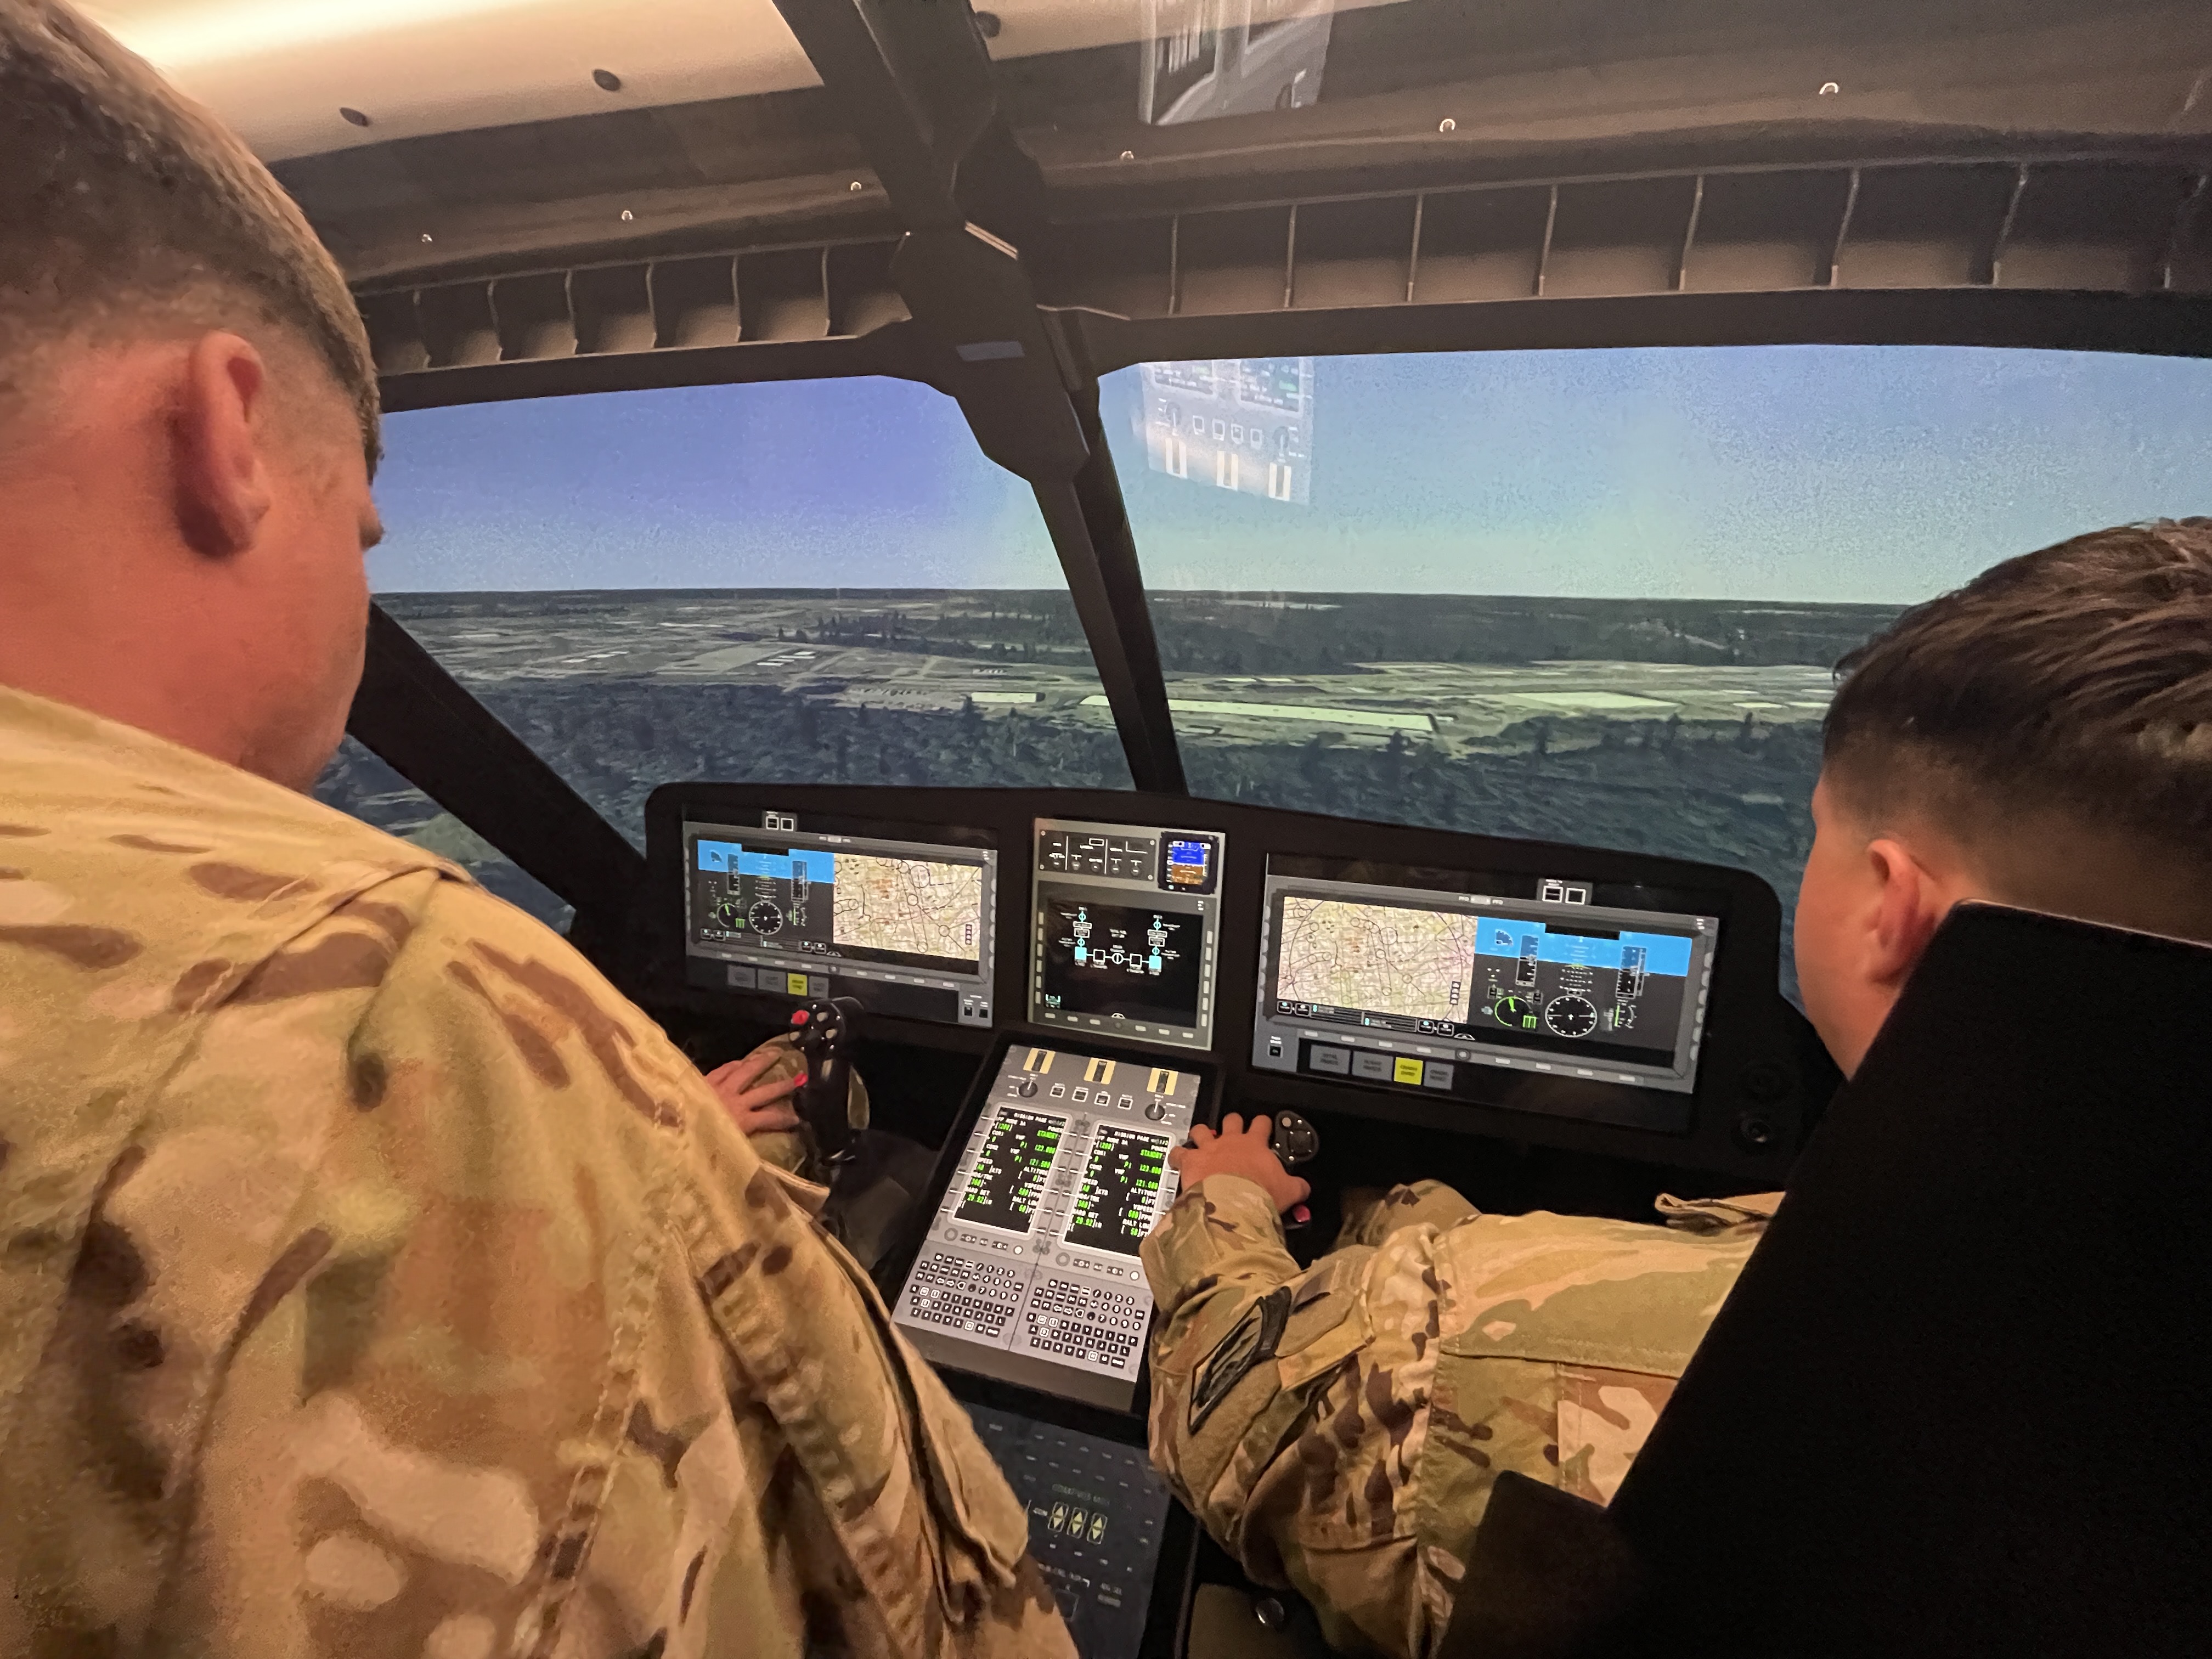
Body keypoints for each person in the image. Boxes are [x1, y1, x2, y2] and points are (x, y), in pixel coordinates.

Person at [0, 5, 1074, 1655]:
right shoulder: (387, 1013)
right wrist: (638, 1169)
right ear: (228, 433)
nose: (363, 585)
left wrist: (664, 1147)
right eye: (366, 528)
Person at [1142, 518, 2212, 1659]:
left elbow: (1221, 1422)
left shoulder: (1462, 1343)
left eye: (1818, 833)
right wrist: (1400, 1220)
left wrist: (1229, 1200)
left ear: (1893, 908)